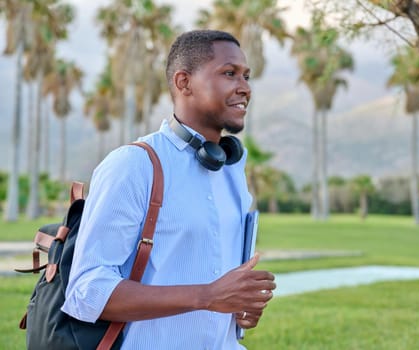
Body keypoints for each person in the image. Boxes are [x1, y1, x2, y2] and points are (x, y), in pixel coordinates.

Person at [62, 29, 276, 349]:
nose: (244, 87)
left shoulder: (232, 170)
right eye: (229, 73)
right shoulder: (134, 165)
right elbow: (86, 291)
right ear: (183, 82)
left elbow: (219, 283)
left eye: (246, 76)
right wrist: (208, 295)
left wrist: (239, 304)